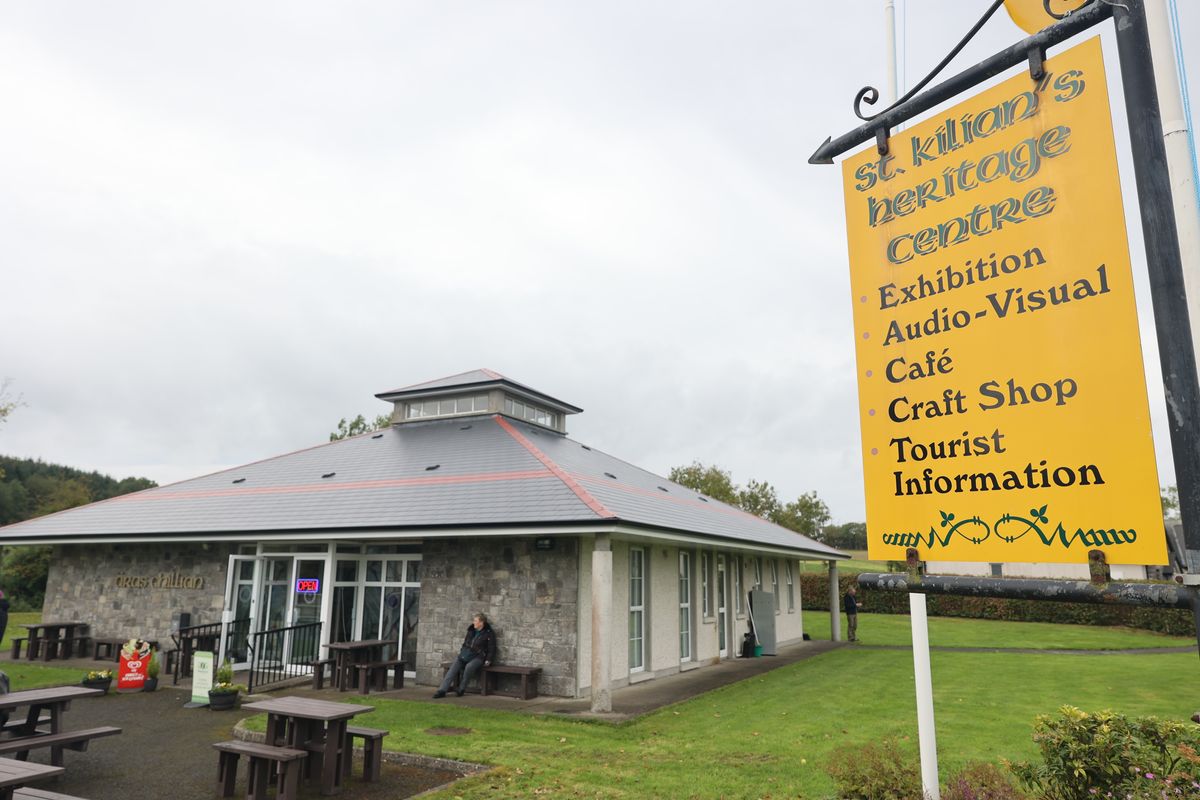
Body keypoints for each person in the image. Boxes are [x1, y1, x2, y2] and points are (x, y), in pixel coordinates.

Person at [433, 612, 496, 698]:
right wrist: (462, 651)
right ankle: (442, 690)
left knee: (469, 667)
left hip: (478, 657)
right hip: (465, 654)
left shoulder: (488, 633)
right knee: (453, 669)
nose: (473, 622)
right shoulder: (471, 630)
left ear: (481, 623)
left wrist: (489, 659)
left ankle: (461, 689)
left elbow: (492, 648)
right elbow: (465, 643)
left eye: (475, 621)